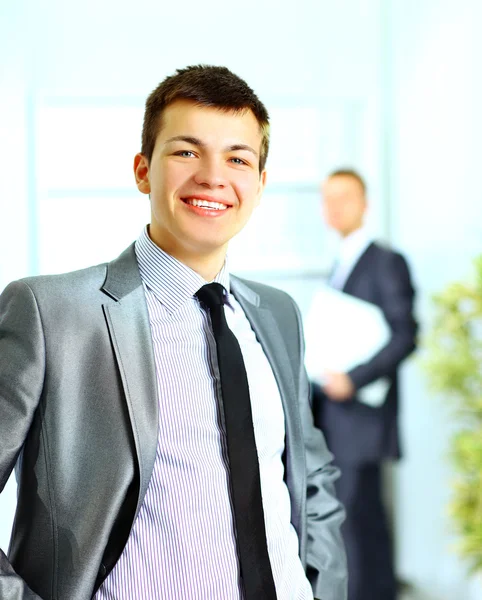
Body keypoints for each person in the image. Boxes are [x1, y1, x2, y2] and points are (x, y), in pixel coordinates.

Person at [0, 65, 347, 600]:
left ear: (259, 182)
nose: (213, 176)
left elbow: (312, 477)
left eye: (238, 158)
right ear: (143, 170)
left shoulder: (279, 314)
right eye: (187, 152)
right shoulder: (51, 313)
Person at [311, 168, 417, 600]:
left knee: (355, 520)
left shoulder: (384, 261)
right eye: (328, 199)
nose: (335, 207)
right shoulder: (340, 262)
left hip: (361, 416)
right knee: (361, 519)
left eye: (345, 198)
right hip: (336, 414)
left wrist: (352, 380)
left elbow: (405, 335)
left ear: (365, 205)